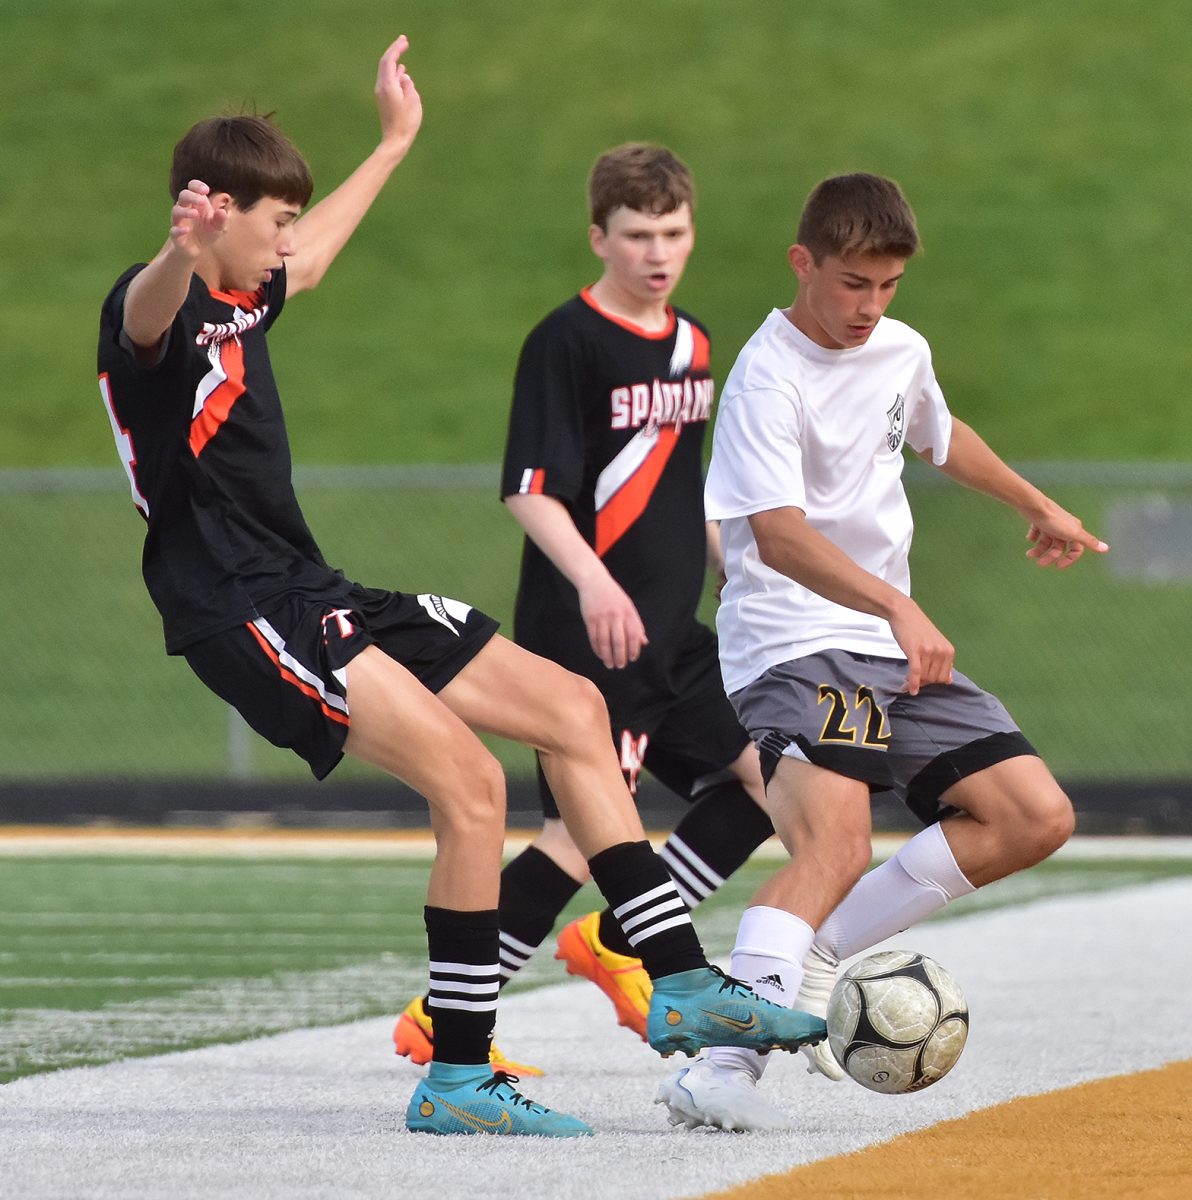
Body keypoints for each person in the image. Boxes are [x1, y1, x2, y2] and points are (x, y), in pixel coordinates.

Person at [96, 39, 826, 1139]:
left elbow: (321, 257)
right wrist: (173, 251)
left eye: (291, 218)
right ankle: (456, 1076)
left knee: (573, 713)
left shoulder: (248, 294)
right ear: (218, 217)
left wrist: (393, 144)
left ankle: (676, 978)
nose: (289, 238)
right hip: (240, 609)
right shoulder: (164, 307)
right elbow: (147, 316)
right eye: (273, 220)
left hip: (309, 583)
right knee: (473, 788)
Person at [656, 171, 1108, 1132]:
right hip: (792, 641)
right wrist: (898, 607)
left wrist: (1038, 505)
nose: (871, 307)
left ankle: (821, 958)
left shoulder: (900, 349)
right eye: (854, 283)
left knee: (1032, 816)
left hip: (883, 639)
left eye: (888, 285)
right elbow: (774, 535)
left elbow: (940, 437)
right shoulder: (765, 377)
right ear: (803, 263)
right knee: (834, 843)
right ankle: (720, 1066)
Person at [391, 143, 779, 1074]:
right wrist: (595, 583)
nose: (659, 252)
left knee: (765, 777)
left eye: (674, 232)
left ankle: (619, 935)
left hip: (674, 631)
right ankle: (440, 1026)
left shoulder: (692, 343)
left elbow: (680, 484)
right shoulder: (566, 340)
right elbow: (530, 490)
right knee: (578, 833)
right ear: (599, 237)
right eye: (638, 234)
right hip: (589, 635)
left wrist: (731, 562)